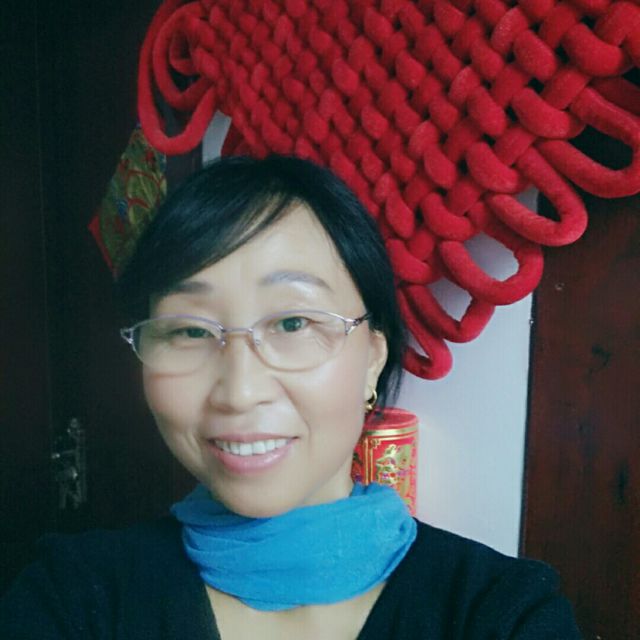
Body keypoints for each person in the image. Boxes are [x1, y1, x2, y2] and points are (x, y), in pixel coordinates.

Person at [0, 155, 582, 639]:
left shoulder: (500, 614)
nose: (239, 391)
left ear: (373, 358)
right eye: (191, 331)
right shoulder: (73, 598)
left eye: (293, 323)